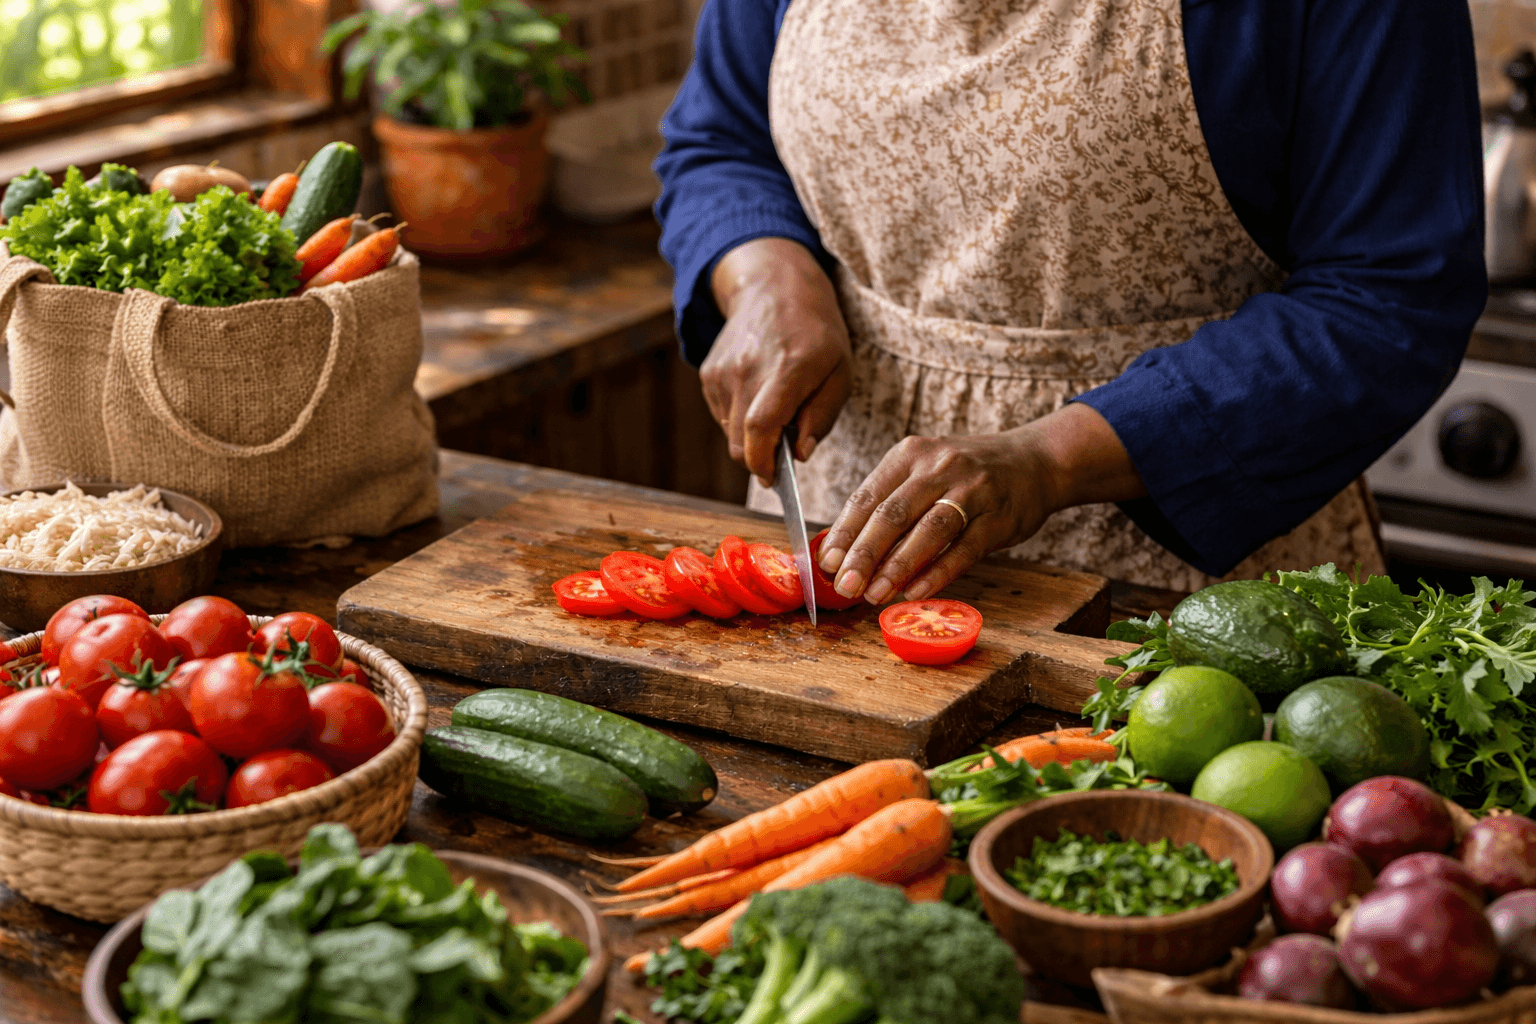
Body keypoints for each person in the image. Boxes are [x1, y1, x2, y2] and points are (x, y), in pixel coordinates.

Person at [653, 0, 1486, 602]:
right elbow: (721, 138)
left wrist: (1048, 460)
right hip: (835, 520)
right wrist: (763, 271)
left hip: (1201, 594)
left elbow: (1390, 295)